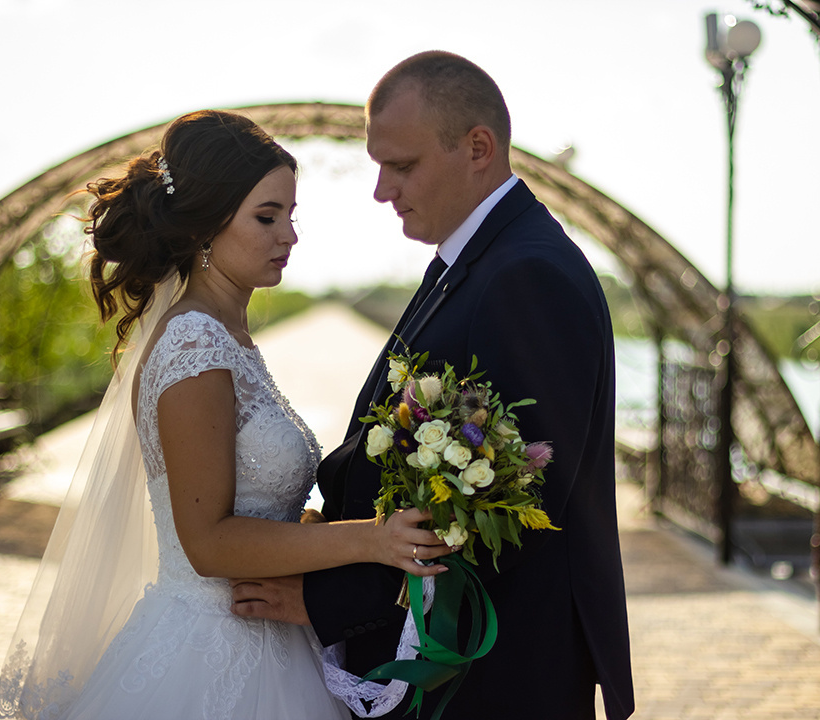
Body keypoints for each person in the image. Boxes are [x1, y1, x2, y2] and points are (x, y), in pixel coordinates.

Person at [0, 109, 453, 720]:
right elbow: (208, 543)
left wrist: (311, 531)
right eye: (266, 217)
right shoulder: (193, 347)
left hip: (270, 636)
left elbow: (246, 504)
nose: (288, 236)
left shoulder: (227, 340)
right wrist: (371, 540)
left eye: (291, 216)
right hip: (211, 654)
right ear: (206, 226)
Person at [230, 52, 635, 719]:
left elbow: (514, 506)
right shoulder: (473, 260)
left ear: (477, 147)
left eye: (402, 165)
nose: (382, 189)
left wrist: (328, 597)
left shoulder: (527, 275)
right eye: (378, 165)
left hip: (493, 675)